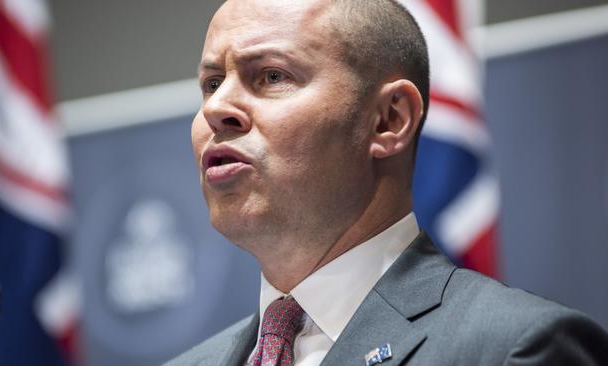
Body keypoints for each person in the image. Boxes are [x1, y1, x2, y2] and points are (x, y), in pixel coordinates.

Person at [166, 0, 608, 365]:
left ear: (389, 120)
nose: (215, 108)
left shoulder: (514, 348)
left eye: (272, 75)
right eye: (212, 83)